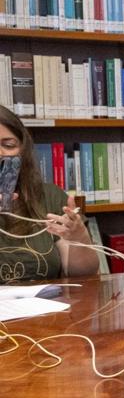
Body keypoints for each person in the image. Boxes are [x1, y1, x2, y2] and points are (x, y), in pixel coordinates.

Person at [0, 106, 100, 282]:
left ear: (22, 150)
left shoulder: (49, 195)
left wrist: (79, 237)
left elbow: (84, 274)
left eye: (8, 145)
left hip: (46, 305)